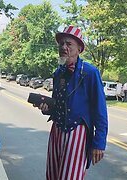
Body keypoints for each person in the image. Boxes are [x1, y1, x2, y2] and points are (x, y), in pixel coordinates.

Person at [36, 26, 108, 180]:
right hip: (56, 130)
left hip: (77, 132)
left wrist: (99, 143)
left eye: (69, 44)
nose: (63, 47)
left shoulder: (89, 72)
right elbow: (58, 104)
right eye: (61, 44)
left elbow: (100, 110)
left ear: (79, 49)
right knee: (52, 176)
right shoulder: (58, 72)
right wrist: (46, 108)